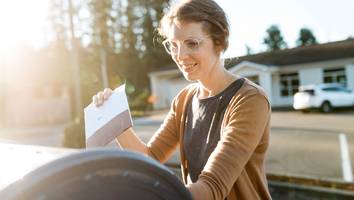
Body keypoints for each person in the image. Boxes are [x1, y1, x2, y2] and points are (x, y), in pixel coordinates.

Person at [93, 0, 272, 199]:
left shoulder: (249, 100)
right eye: (173, 45)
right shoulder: (184, 100)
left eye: (192, 43)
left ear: (219, 43)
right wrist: (115, 118)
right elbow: (150, 158)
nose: (180, 55)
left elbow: (212, 187)